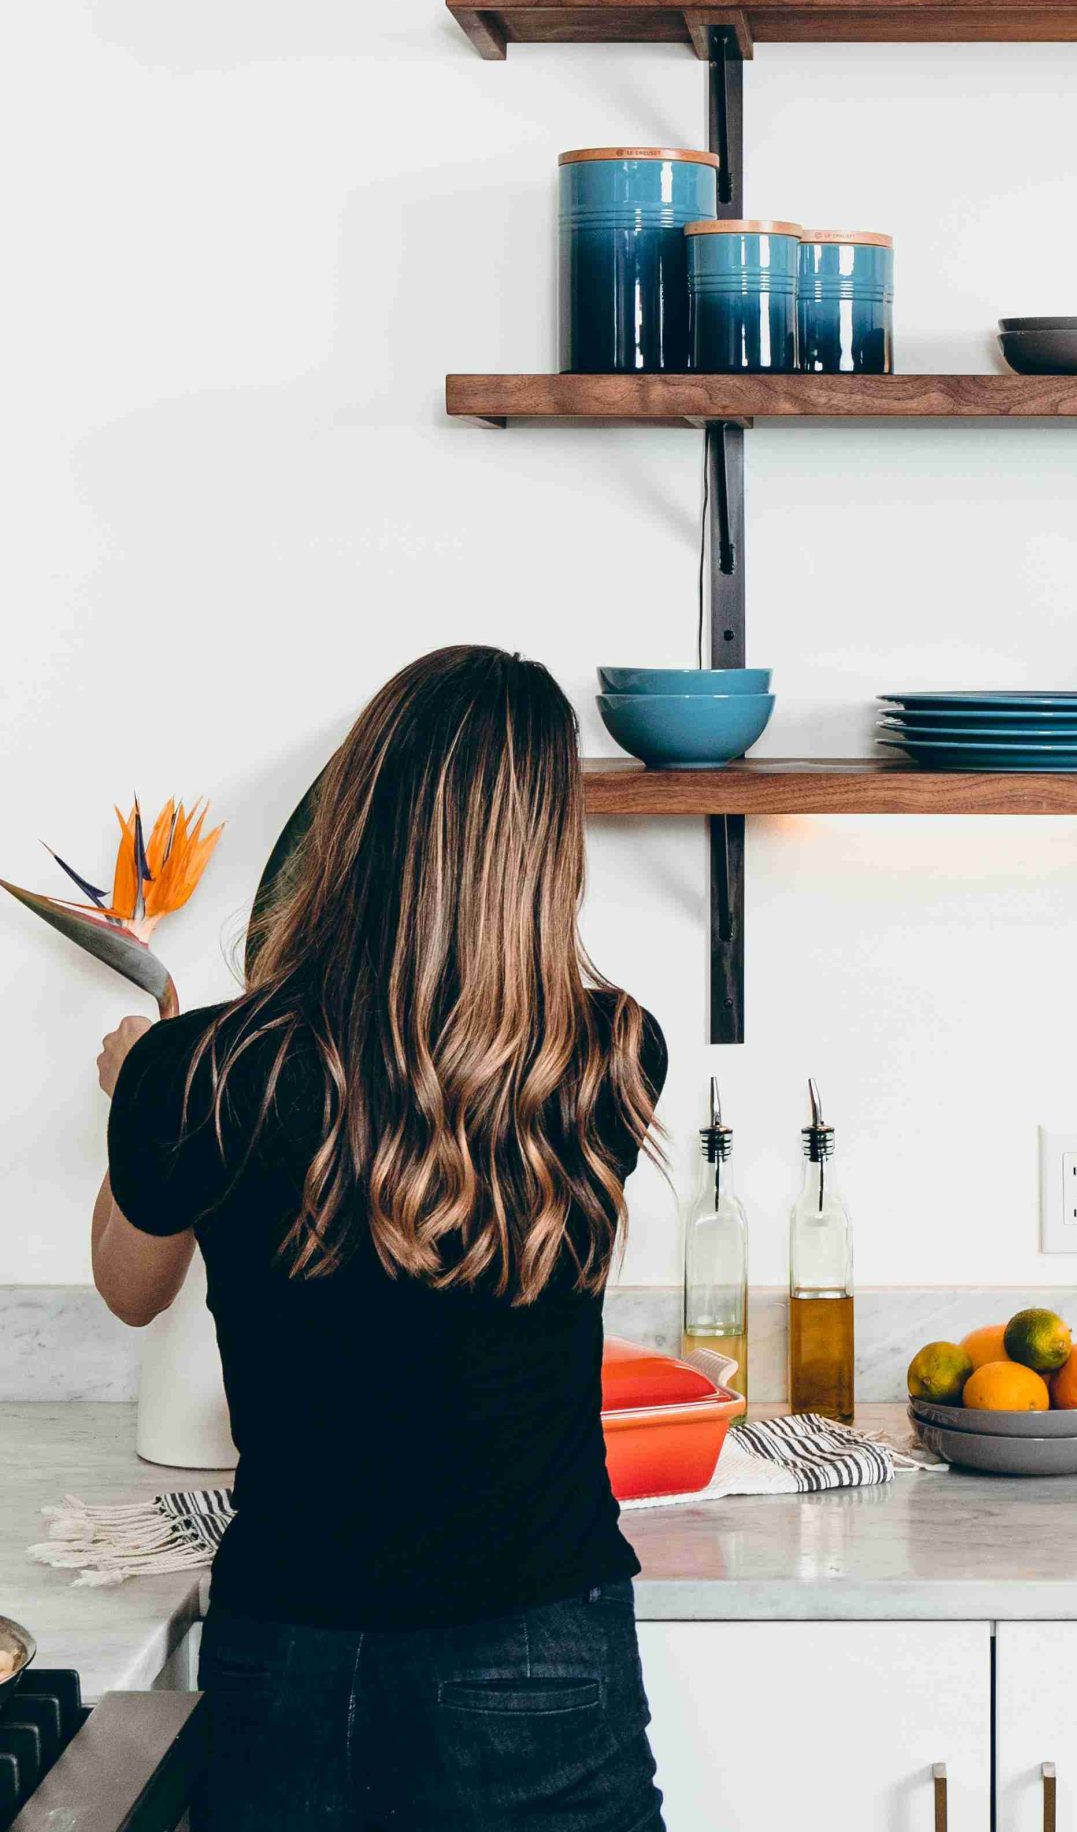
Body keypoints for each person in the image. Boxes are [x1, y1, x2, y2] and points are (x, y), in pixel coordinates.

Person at [93, 645, 670, 1831]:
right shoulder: (611, 1055)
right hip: (541, 1646)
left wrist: (136, 1101)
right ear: (547, 853)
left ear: (351, 812)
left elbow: (128, 1288)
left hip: (294, 1645)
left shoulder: (202, 1069)